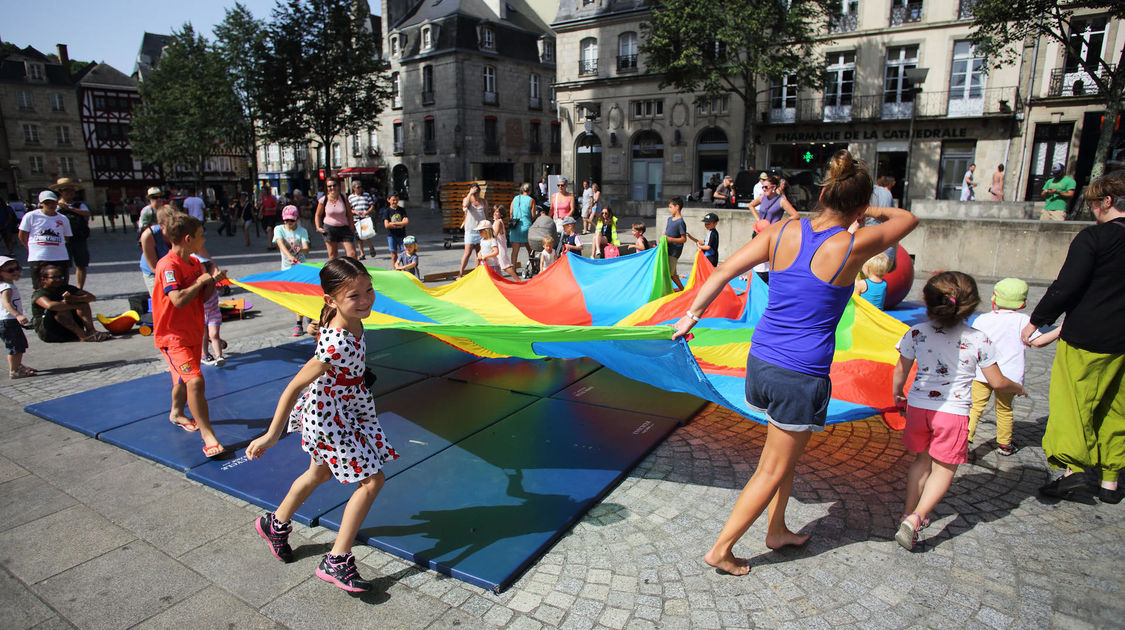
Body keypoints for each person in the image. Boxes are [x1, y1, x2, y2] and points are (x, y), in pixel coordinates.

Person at [672, 149, 918, 575]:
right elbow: (907, 220)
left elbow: (721, 271)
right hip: (800, 375)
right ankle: (722, 549)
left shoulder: (782, 231)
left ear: (823, 192)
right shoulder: (853, 246)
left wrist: (690, 317)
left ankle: (778, 527)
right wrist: (867, 206)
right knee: (772, 467)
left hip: (762, 363)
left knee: (783, 453)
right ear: (858, 205)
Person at [246, 257, 396, 593]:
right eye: (354, 296)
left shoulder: (336, 315)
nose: (366, 300)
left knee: (319, 472)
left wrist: (318, 325)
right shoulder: (337, 342)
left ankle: (275, 524)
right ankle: (337, 559)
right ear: (331, 300)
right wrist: (272, 434)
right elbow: (294, 385)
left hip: (345, 406)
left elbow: (325, 322)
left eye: (368, 290)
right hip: (328, 415)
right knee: (372, 481)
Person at [892, 272, 1026, 550]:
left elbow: (901, 369)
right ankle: (916, 519)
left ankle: (906, 513)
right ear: (971, 305)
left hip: (919, 408)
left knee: (921, 461)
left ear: (928, 303)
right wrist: (1016, 387)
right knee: (944, 468)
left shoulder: (915, 332)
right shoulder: (979, 339)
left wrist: (897, 393)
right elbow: (997, 381)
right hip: (952, 413)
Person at [1023, 174, 1125, 504]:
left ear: (1107, 201)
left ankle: (1074, 471)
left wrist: (1038, 320)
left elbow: (1068, 285)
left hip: (1089, 335)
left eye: (1094, 204)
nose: (1093, 210)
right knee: (1116, 407)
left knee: (1074, 403)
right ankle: (1111, 480)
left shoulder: (1094, 239)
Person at [152, 212, 227, 457]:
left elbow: (202, 298)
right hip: (172, 337)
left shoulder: (194, 263)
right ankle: (209, 436)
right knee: (195, 381)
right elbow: (178, 299)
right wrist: (199, 283)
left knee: (182, 380)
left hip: (193, 332)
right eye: (200, 236)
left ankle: (176, 412)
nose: (203, 240)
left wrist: (211, 283)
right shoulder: (168, 265)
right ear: (187, 239)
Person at [967, 278, 1058, 456]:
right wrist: (1061, 329)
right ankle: (1004, 444)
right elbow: (1038, 342)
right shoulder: (1024, 321)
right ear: (1023, 303)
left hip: (981, 373)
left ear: (994, 298)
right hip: (1008, 377)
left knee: (975, 407)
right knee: (1005, 410)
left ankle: (965, 439)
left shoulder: (983, 319)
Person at [30, 263, 107, 343]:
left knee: (83, 304)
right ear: (43, 279)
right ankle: (82, 335)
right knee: (61, 308)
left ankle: (91, 331)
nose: (58, 279)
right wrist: (74, 305)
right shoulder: (39, 293)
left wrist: (75, 298)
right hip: (50, 332)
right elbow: (50, 306)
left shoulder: (66, 288)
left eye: (60, 277)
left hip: (68, 329)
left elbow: (91, 297)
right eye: (54, 277)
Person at [19, 191, 72, 290]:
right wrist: (30, 248)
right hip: (39, 257)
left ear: (57, 203)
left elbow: (67, 237)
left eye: (53, 202)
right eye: (47, 203)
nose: (51, 205)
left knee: (62, 286)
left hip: (59, 257)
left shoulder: (63, 219)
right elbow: (22, 235)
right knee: (39, 287)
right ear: (41, 204)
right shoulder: (31, 216)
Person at [275, 205, 311, 336]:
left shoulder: (302, 231)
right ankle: (306, 313)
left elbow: (307, 248)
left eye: (291, 220)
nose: (288, 223)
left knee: (299, 294)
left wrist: (301, 249)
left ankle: (298, 324)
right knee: (291, 296)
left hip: (301, 267)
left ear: (296, 219)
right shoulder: (279, 229)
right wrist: (290, 256)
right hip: (286, 268)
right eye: (286, 220)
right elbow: (280, 244)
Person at [51, 179, 91, 290]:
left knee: (81, 264)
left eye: (72, 191)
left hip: (79, 237)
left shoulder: (79, 204)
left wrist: (70, 208)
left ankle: (79, 288)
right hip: (62, 240)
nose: (70, 194)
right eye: (67, 191)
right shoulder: (55, 205)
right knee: (64, 266)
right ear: (61, 192)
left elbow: (87, 213)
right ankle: (64, 287)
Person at [0, 256, 35, 378]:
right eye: (10, 270)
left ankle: (18, 366)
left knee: (18, 345)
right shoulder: (7, 287)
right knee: (15, 346)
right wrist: (18, 315)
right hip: (8, 321)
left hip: (8, 321)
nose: (15, 272)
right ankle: (14, 371)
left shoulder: (6, 285)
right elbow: (6, 303)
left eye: (17, 268)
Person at [193, 249, 226, 367]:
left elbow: (220, 286)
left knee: (214, 334)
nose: (202, 269)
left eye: (203, 266)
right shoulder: (195, 284)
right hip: (200, 313)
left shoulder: (211, 280)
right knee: (204, 336)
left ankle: (219, 356)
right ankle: (205, 354)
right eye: (198, 266)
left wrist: (220, 280)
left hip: (213, 312)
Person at [315, 177, 358, 260]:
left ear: (338, 186)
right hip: (329, 228)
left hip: (344, 228)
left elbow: (349, 214)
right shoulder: (323, 200)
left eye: (334, 185)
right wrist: (318, 227)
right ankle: (334, 272)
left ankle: (353, 272)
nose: (332, 188)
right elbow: (318, 215)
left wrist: (352, 226)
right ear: (326, 188)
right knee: (333, 255)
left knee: (352, 254)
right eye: (329, 186)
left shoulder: (343, 197)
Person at [139, 207, 174, 294]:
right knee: (162, 297)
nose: (174, 229)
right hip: (154, 272)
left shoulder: (180, 231)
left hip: (172, 268)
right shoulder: (149, 235)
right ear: (160, 225)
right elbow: (154, 267)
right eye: (169, 225)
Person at [458, 183, 487, 278]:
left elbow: (486, 214)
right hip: (471, 229)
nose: (476, 195)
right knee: (467, 252)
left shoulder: (483, 201)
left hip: (481, 229)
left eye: (477, 192)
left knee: (479, 252)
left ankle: (477, 272)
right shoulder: (468, 200)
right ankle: (460, 273)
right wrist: (470, 193)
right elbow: (465, 205)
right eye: (474, 192)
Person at [491, 205, 522, 282]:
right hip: (499, 246)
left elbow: (494, 235)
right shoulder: (496, 221)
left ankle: (519, 280)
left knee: (505, 267)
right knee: (497, 266)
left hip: (500, 248)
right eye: (494, 211)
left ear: (501, 214)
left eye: (497, 212)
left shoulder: (498, 222)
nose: (495, 213)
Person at [508, 183, 534, 271]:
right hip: (526, 226)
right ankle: (533, 267)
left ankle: (513, 269)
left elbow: (511, 213)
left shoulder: (515, 198)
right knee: (530, 249)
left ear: (522, 190)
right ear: (530, 191)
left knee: (515, 251)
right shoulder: (531, 200)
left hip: (515, 226)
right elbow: (533, 215)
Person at [664, 197, 688, 291]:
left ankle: (668, 291)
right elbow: (666, 232)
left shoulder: (680, 222)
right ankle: (683, 289)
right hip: (667, 249)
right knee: (673, 274)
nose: (669, 209)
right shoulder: (670, 219)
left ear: (677, 207)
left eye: (670, 207)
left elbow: (683, 239)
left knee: (668, 274)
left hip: (674, 252)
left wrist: (670, 239)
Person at [348, 181, 375, 260]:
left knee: (366, 234)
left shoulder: (366, 195)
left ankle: (371, 247)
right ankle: (362, 253)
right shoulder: (350, 197)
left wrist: (367, 212)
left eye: (360, 187)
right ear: (354, 188)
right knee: (358, 237)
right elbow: (349, 208)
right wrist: (355, 212)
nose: (360, 189)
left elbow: (372, 205)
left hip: (365, 218)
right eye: (358, 187)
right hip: (356, 219)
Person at [381, 193, 410, 266]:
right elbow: (386, 225)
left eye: (397, 200)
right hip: (391, 236)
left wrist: (393, 224)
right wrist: (401, 223)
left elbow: (406, 221)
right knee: (393, 254)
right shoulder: (386, 211)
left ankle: (405, 268)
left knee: (405, 252)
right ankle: (395, 270)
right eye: (393, 200)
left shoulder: (402, 210)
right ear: (388, 200)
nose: (395, 202)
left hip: (402, 235)